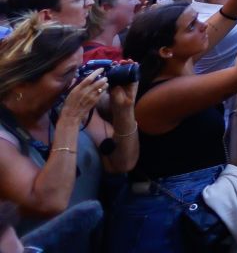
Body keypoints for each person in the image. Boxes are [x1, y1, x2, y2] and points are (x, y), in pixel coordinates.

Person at [112, 0, 237, 253]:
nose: (204, 25)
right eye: (192, 26)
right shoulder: (163, 95)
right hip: (170, 216)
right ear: (166, 50)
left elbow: (227, 14)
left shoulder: (179, 62)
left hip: (192, 202)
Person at [0, 20, 139, 234]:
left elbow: (121, 162)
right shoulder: (5, 136)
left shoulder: (63, 105)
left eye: (78, 69)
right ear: (21, 82)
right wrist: (70, 119)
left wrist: (124, 109)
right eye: (65, 75)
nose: (76, 82)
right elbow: (49, 203)